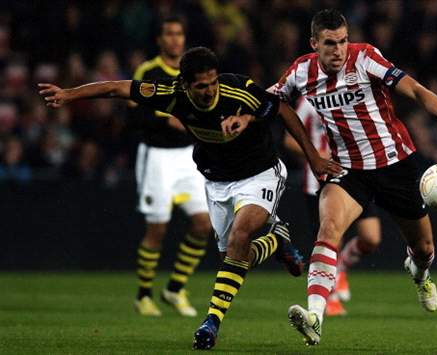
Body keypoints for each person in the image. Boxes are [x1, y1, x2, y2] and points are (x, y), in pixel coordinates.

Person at [38, 46, 342, 350]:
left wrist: (311, 157)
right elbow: (118, 88)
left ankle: (211, 322)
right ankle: (277, 240)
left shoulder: (238, 89)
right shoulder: (172, 95)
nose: (209, 90)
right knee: (233, 258)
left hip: (260, 173)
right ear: (185, 85)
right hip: (217, 181)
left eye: (212, 82)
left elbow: (281, 109)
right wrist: (69, 94)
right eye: (201, 86)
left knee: (239, 236)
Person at [272, 9, 437, 345]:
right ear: (314, 44)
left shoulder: (364, 58)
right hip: (348, 171)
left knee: (423, 248)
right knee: (329, 229)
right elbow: (270, 100)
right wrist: (243, 118)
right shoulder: (300, 71)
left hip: (395, 165)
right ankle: (315, 316)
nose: (338, 49)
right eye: (330, 43)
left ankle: (420, 274)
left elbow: (417, 90)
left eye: (343, 40)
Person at [128, 17, 212, 317]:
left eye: (179, 34)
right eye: (169, 34)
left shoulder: (192, 73)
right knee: (157, 230)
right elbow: (134, 116)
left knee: (204, 225)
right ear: (160, 40)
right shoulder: (148, 72)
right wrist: (166, 118)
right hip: (157, 157)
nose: (175, 39)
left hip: (188, 157)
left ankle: (174, 289)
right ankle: (143, 295)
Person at [283, 96, 382, 316]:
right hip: (321, 181)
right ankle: (330, 296)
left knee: (371, 238)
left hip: (358, 176)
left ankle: (341, 269)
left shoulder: (354, 95)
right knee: (333, 238)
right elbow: (289, 140)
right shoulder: (309, 102)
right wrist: (317, 155)